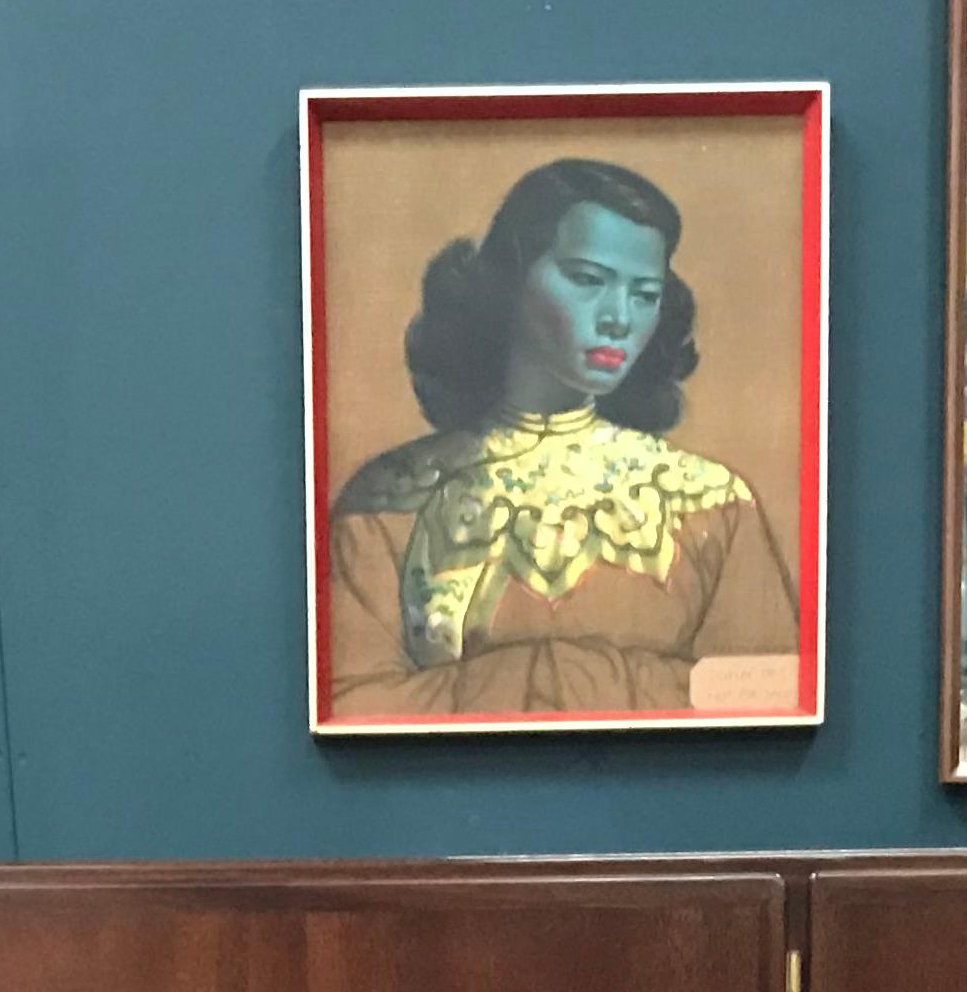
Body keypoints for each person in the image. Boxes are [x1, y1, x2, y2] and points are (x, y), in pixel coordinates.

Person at [326, 158, 803, 721]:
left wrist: (550, 679)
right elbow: (351, 711)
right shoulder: (387, 500)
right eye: (587, 280)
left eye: (645, 293)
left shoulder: (714, 502)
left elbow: (768, 702)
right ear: (511, 280)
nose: (619, 320)